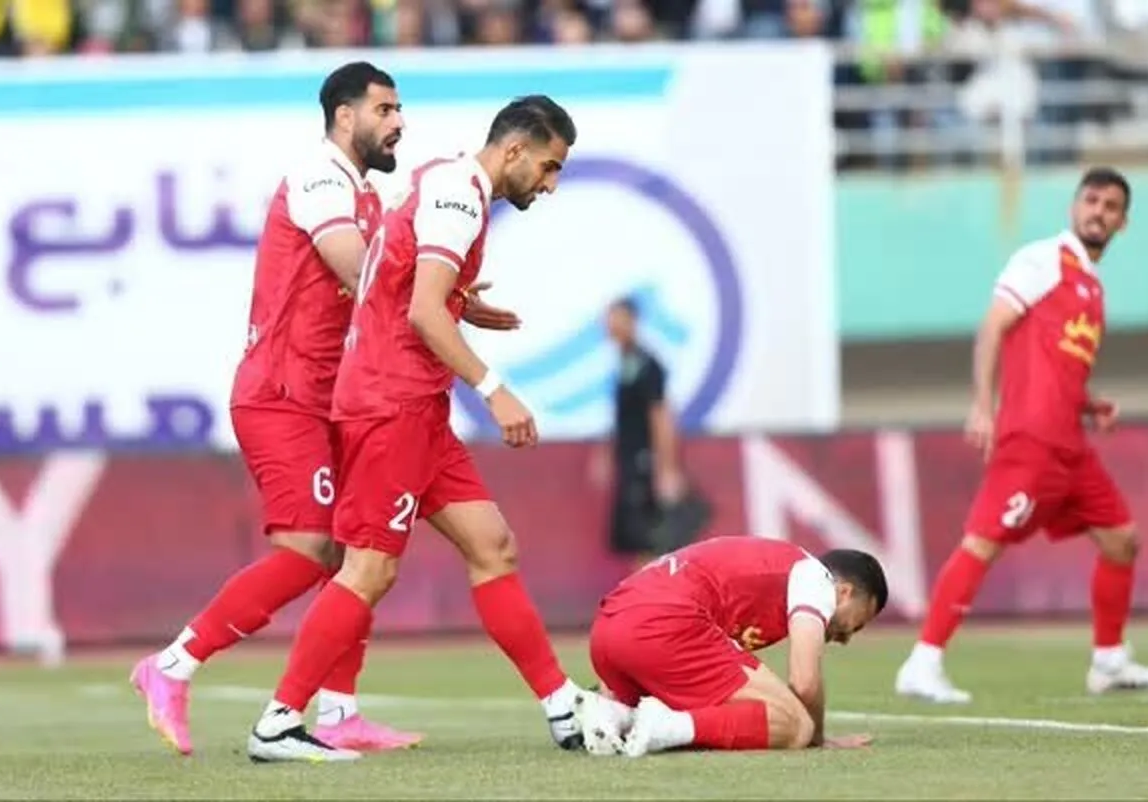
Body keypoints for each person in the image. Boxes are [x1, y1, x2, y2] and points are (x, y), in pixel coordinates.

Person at [130, 62, 518, 757]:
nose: (399, 122)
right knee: (309, 549)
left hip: (331, 398)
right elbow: (361, 271)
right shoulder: (318, 178)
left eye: (400, 109)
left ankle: (338, 713)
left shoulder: (369, 193)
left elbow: (390, 283)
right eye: (385, 110)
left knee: (351, 554)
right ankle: (172, 665)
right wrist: (442, 300)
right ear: (345, 116)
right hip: (281, 396)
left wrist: (451, 299)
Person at [245, 94, 601, 763]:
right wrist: (495, 391)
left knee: (492, 544)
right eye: (550, 167)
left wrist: (463, 302)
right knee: (370, 568)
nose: (551, 184)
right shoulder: (460, 196)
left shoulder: (445, 179)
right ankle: (279, 723)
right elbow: (422, 313)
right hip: (391, 402)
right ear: (515, 150)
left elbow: (408, 286)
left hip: (416, 405)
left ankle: (563, 709)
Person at [895, 167, 1148, 704]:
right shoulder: (1044, 259)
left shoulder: (1091, 286)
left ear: (1123, 222)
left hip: (1072, 445)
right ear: (1075, 206)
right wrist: (983, 405)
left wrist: (1090, 404)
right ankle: (922, 662)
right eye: (1091, 200)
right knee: (983, 542)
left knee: (1122, 540)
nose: (1098, 212)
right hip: (1032, 439)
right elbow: (993, 327)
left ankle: (1110, 662)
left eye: (1111, 206)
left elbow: (1054, 364)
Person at [576, 536, 888, 756]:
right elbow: (805, 683)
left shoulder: (776, 567)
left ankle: (616, 715)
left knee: (727, 707)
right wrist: (816, 736)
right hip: (663, 625)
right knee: (794, 725)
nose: (847, 637)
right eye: (858, 623)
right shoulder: (816, 578)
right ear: (844, 593)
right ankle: (663, 726)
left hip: (608, 631)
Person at [601, 297, 696, 569]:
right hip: (629, 459)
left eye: (617, 319)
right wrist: (607, 454)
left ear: (632, 321)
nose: (611, 326)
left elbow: (661, 417)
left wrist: (666, 468)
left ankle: (651, 589)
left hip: (644, 460)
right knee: (636, 536)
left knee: (650, 536)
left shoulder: (647, 364)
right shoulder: (624, 363)